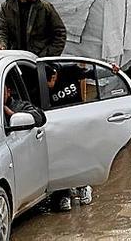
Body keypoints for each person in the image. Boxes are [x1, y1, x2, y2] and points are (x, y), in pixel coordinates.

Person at [44, 66, 93, 211]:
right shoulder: (41, 84)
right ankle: (63, 193)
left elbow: (90, 74)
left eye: (49, 83)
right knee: (61, 160)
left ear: (53, 77)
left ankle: (84, 186)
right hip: (57, 126)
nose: (48, 87)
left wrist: (111, 70)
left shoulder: (68, 71)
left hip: (77, 121)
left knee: (79, 155)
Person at [0, 0, 67, 56]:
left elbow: (60, 33)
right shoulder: (7, 7)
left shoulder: (45, 8)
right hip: (15, 58)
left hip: (39, 59)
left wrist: (48, 55)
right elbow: (2, 30)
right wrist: (1, 44)